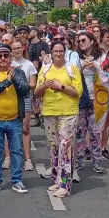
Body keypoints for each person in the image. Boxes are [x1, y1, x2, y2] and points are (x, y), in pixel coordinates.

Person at [0, 43, 31, 194]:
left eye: (6, 55)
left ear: (10, 57)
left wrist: (14, 78)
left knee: (16, 151)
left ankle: (17, 181)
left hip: (15, 119)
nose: (3, 58)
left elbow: (25, 90)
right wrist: (7, 81)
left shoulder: (19, 72)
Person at [35, 40, 81, 197]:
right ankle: (56, 179)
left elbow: (77, 92)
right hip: (49, 112)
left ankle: (66, 184)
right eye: (55, 51)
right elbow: (37, 92)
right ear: (51, 53)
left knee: (65, 147)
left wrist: (60, 87)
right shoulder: (46, 68)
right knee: (53, 147)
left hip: (68, 112)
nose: (58, 54)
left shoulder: (72, 69)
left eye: (61, 51)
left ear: (65, 52)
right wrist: (43, 86)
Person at [75, 31, 108, 175]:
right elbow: (72, 76)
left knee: (95, 133)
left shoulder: (101, 57)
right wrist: (82, 68)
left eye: (83, 40)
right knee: (80, 133)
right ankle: (78, 161)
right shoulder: (77, 57)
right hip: (82, 99)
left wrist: (96, 67)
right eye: (79, 41)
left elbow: (107, 77)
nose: (81, 43)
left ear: (92, 41)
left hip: (97, 99)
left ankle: (97, 161)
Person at [10, 39, 38, 171]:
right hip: (9, 98)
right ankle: (8, 157)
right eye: (14, 48)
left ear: (23, 48)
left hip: (25, 97)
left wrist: (21, 84)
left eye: (19, 48)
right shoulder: (8, 63)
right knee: (8, 128)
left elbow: (33, 85)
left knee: (25, 128)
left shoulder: (29, 65)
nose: (16, 50)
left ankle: (28, 159)